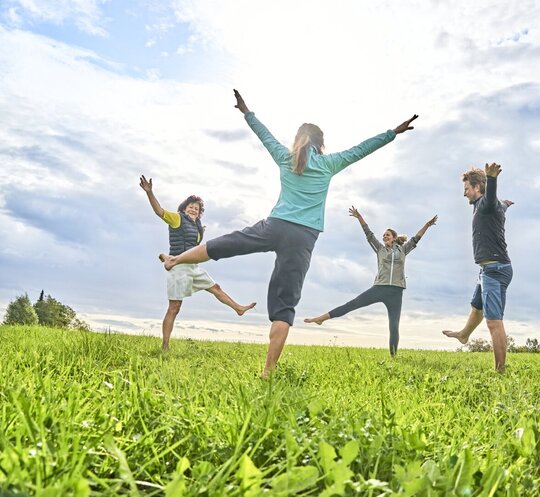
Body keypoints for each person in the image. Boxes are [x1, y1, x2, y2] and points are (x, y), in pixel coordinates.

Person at [161, 89, 419, 377]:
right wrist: (392, 132)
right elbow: (362, 149)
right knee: (284, 304)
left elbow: (265, 135)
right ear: (321, 144)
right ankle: (267, 371)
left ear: (298, 140)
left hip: (276, 225)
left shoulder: (286, 157)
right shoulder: (329, 163)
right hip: (303, 238)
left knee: (226, 243)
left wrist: (247, 112)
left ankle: (175, 260)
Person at [139, 175, 255, 350]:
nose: (194, 209)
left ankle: (238, 308)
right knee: (175, 307)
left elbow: (196, 249)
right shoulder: (176, 218)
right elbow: (159, 211)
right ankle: (165, 346)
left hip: (193, 267)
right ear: (184, 209)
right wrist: (149, 192)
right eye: (191, 207)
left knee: (216, 288)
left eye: (197, 208)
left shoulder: (199, 229)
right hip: (178, 267)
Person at [304, 207, 437, 356]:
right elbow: (368, 234)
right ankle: (321, 318)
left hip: (396, 291)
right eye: (383, 235)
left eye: (387, 235)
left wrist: (427, 225)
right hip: (379, 288)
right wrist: (359, 216)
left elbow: (416, 238)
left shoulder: (403, 250)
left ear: (394, 237)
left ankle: (393, 359)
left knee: (394, 326)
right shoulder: (380, 249)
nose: (384, 237)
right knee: (352, 304)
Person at [442, 163, 513, 371]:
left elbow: (491, 199)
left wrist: (492, 179)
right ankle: (464, 335)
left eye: (466, 189)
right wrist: (507, 203)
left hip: (495, 270)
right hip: (488, 270)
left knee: (493, 321)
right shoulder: (487, 206)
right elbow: (500, 203)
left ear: (477, 188)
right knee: (477, 307)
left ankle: (500, 371)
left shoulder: (485, 204)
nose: (464, 194)